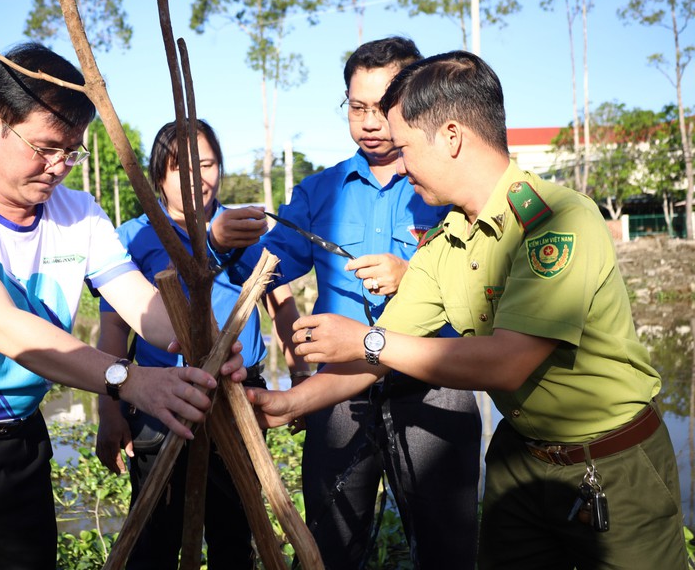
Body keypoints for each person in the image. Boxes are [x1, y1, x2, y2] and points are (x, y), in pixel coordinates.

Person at [247, 50, 689, 569]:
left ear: (451, 137)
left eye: (406, 146)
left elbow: (506, 360)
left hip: (612, 463)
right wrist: (293, 403)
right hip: (521, 457)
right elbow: (380, 354)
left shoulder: (556, 221)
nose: (400, 161)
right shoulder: (447, 241)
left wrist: (367, 339)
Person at [0, 42, 247, 570]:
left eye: (72, 151)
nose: (59, 166)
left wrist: (205, 344)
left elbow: (139, 302)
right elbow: (4, 326)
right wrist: (128, 380)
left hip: (19, 444)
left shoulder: (78, 213)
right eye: (45, 147)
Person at [209, 37, 481, 569]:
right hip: (337, 391)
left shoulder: (444, 186)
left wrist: (413, 274)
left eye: (383, 107)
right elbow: (267, 268)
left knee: (447, 547)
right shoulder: (320, 191)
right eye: (358, 108)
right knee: (330, 543)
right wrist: (222, 243)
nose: (371, 121)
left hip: (434, 383)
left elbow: (479, 281)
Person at [96, 119, 306, 569]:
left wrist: (301, 376)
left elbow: (281, 303)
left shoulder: (244, 228)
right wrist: (108, 410)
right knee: (155, 534)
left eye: (208, 164)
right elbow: (114, 330)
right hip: (160, 396)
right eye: (181, 169)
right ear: (157, 177)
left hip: (238, 393)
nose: (199, 178)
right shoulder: (133, 237)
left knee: (235, 530)